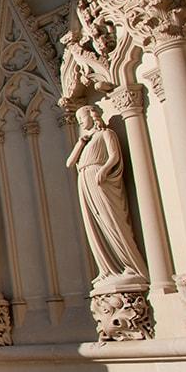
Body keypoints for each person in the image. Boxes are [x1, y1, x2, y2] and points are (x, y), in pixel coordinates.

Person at [65, 104, 148, 289]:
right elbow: (70, 162)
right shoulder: (85, 140)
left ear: (91, 115)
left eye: (82, 118)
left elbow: (114, 156)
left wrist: (104, 170)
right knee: (95, 225)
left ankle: (131, 266)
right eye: (78, 120)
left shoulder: (106, 134)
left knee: (112, 221)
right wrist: (80, 143)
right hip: (85, 180)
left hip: (100, 180)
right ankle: (107, 269)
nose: (80, 122)